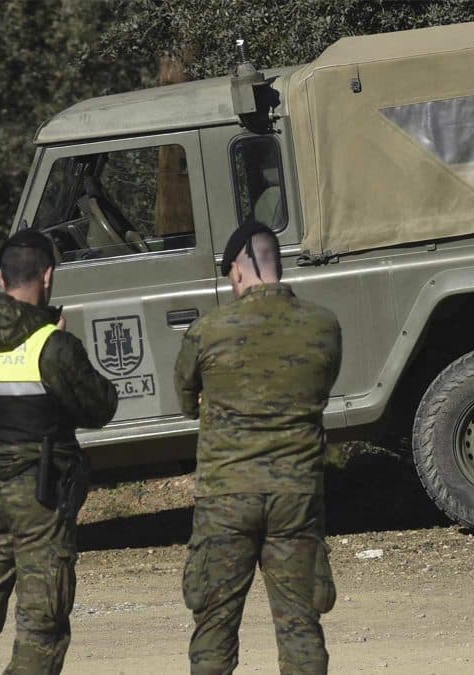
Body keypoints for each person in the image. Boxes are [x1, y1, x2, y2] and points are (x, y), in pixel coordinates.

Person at [0, 231, 118, 675]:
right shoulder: (52, 346)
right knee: (43, 623)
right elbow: (100, 407)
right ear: (48, 276)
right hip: (39, 496)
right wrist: (63, 348)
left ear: (0, 279)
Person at [173, 223, 343, 674]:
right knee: (300, 624)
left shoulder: (207, 330)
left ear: (237, 270)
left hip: (225, 498)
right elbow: (322, 388)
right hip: (297, 495)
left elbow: (186, 401)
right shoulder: (323, 326)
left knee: (214, 624)